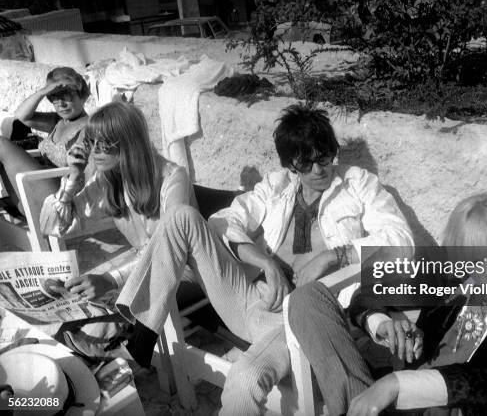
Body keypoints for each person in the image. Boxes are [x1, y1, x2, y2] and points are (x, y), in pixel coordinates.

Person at [114, 104, 414, 415]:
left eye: (324, 157)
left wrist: (333, 256)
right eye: (306, 163)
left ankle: (139, 328)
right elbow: (222, 221)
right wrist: (265, 263)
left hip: (301, 319)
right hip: (248, 297)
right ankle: (144, 328)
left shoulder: (358, 184)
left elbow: (402, 242)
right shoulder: (276, 186)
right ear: (290, 165)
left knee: (244, 380)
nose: (319, 169)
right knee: (181, 217)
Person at [288, 192, 487, 416]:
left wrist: (398, 383)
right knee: (308, 297)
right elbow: (368, 294)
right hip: (392, 407)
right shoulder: (450, 282)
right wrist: (385, 324)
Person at [39, 101, 196, 357]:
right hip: (141, 267)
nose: (96, 151)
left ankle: (97, 357)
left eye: (106, 143)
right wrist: (72, 180)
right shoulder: (110, 180)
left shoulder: (171, 178)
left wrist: (112, 279)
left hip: (183, 269)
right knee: (73, 301)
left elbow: (171, 251)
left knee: (93, 322)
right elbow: (52, 226)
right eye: (92, 142)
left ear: (128, 143)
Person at [0, 67, 90, 215]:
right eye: (54, 97)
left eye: (67, 96)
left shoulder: (90, 126)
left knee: (1, 144)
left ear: (82, 96)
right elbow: (22, 116)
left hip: (61, 197)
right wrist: (43, 91)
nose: (61, 104)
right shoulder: (57, 121)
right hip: (37, 186)